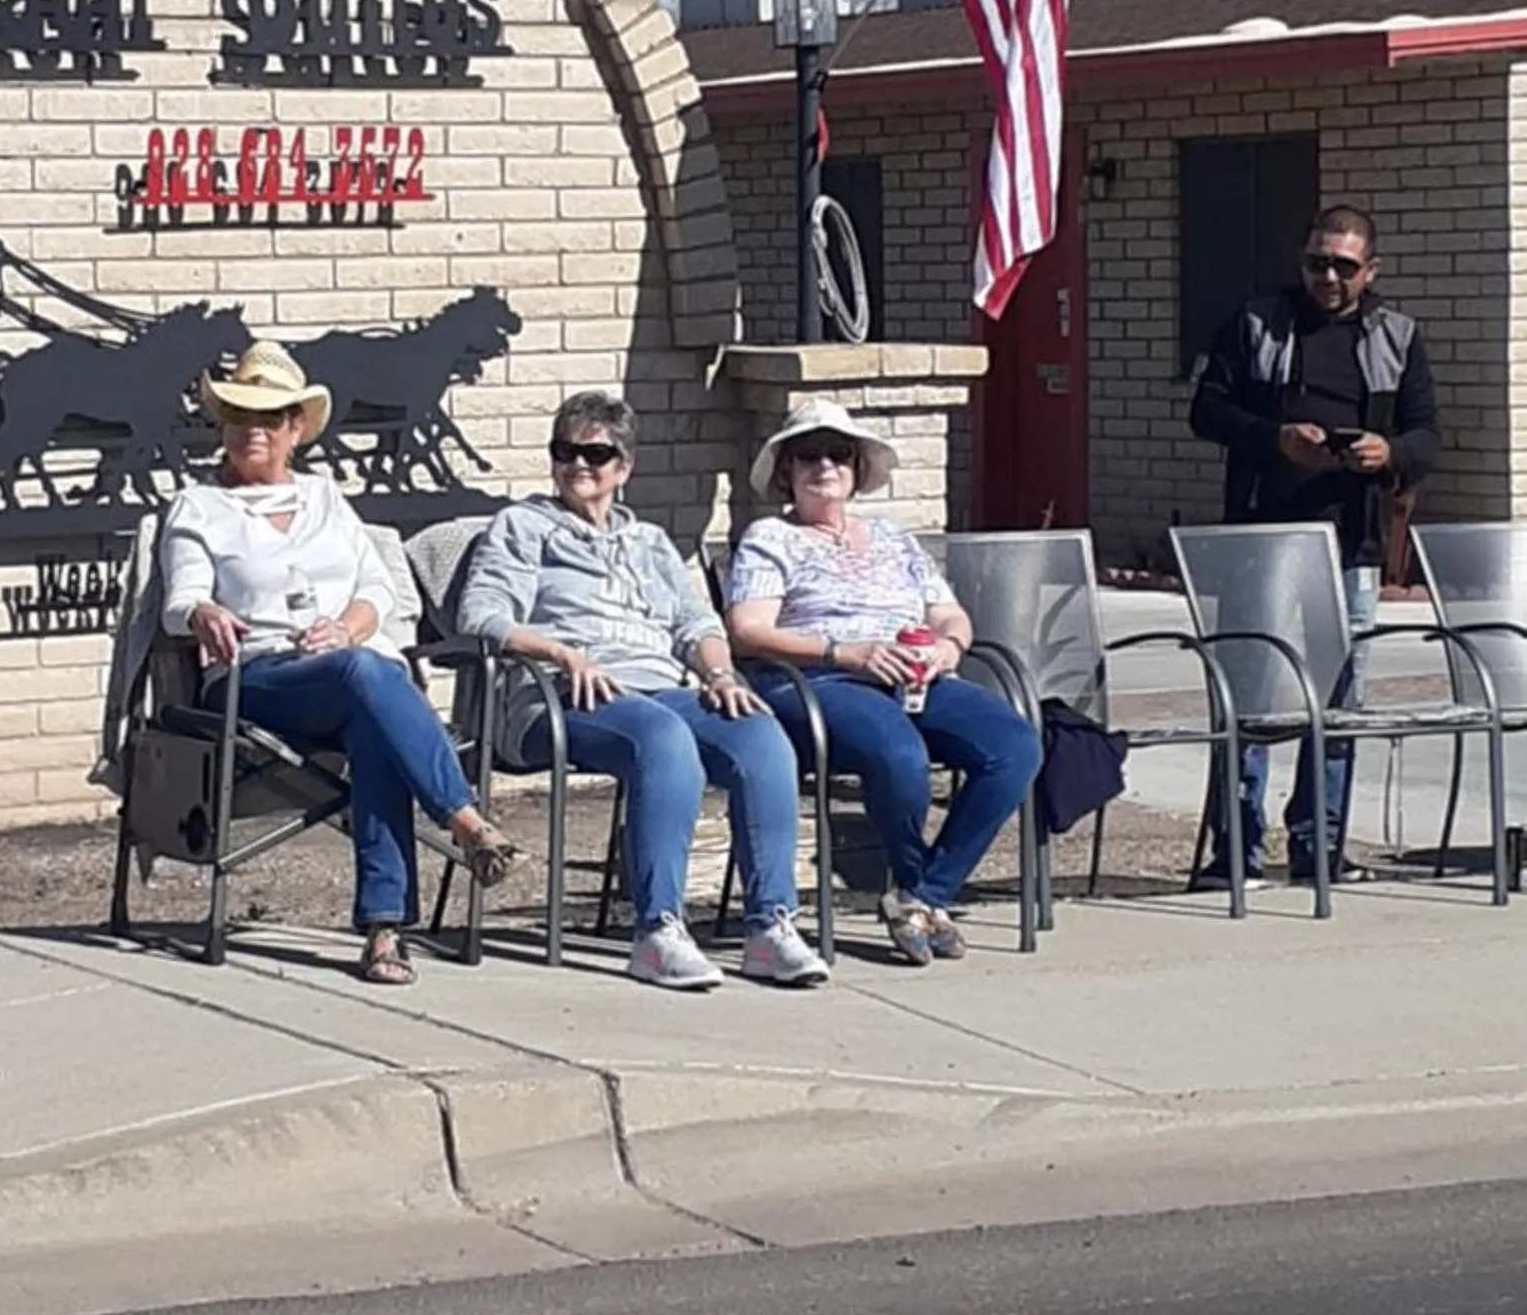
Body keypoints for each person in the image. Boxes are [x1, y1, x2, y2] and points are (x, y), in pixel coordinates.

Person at [159, 336, 517, 986]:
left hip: (344, 676)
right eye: (239, 417)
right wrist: (204, 614)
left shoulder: (325, 498)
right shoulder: (198, 506)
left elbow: (376, 589)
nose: (253, 431)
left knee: (374, 720)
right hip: (254, 678)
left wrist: (348, 628)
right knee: (369, 676)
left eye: (269, 419)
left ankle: (385, 934)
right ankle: (465, 821)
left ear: (295, 427)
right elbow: (179, 600)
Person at [456, 389, 827, 991]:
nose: (579, 464)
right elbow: (481, 616)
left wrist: (721, 675)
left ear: (624, 468)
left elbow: (697, 624)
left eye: (596, 454)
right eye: (565, 451)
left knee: (759, 736)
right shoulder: (523, 527)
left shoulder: (649, 541)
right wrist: (561, 651)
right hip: (558, 693)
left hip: (659, 687)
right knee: (664, 738)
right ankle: (657, 931)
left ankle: (769, 927)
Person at [723, 397, 1041, 967]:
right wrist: (845, 653)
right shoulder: (771, 537)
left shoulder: (895, 538)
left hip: (911, 675)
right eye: (809, 455)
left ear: (857, 469)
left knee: (1015, 745)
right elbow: (747, 631)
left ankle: (923, 893)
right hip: (816, 679)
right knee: (899, 752)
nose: (826, 467)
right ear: (786, 471)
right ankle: (919, 892)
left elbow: (950, 614)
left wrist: (948, 647)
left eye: (839, 455)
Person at [1189, 202, 1439, 883]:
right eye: (1315, 262)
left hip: (1349, 545)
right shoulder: (1255, 323)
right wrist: (1274, 437)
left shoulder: (1397, 335)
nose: (1327, 275)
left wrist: (1388, 453)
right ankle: (1234, 852)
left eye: (1342, 265)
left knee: (1338, 702)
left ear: (1370, 271)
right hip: (1261, 539)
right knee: (1251, 692)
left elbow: (1426, 436)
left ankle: (1318, 848)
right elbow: (1206, 410)